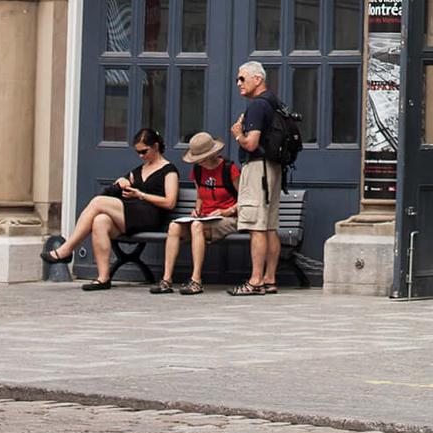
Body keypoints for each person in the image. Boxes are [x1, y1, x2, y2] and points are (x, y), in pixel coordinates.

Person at [43, 126, 178, 289]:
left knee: (98, 202)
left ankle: (68, 249)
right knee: (100, 221)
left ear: (156, 146)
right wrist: (120, 183)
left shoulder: (169, 170)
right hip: (131, 215)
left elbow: (170, 202)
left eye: (144, 151)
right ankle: (103, 277)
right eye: (138, 153)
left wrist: (140, 195)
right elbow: (109, 192)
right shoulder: (138, 171)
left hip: (151, 216)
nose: (141, 156)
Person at [156, 129, 240, 293]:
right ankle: (166, 280)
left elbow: (245, 199)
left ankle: (196, 280)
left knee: (196, 227)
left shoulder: (229, 169)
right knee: (174, 226)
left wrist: (225, 211)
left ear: (210, 155)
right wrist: (196, 209)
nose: (197, 161)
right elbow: (200, 195)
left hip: (228, 217)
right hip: (204, 218)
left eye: (199, 158)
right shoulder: (198, 170)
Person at [229, 59, 282, 295]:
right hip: (272, 167)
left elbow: (251, 143)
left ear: (257, 79)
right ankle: (270, 278)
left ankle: (255, 280)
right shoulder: (273, 102)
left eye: (242, 78)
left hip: (257, 169)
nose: (238, 83)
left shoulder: (257, 106)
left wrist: (238, 134)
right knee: (270, 226)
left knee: (257, 226)